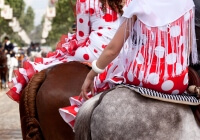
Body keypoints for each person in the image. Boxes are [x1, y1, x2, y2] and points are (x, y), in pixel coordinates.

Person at [59, 0, 198, 129]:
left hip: (143, 79)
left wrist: (91, 75)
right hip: (176, 83)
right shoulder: (187, 3)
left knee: (109, 75)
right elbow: (187, 50)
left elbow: (112, 50)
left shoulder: (139, 3)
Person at [6, 0, 125, 102]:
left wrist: (70, 44)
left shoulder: (85, 1)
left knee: (56, 60)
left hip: (94, 52)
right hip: (123, 50)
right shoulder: (129, 1)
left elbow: (81, 37)